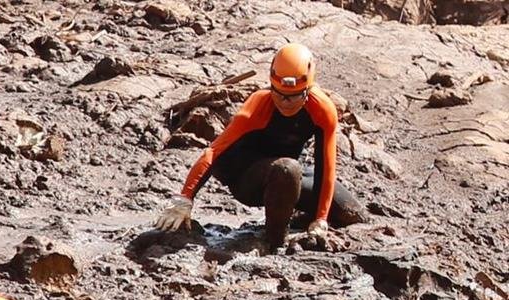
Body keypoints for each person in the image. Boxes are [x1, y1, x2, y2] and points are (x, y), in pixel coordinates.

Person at [156, 42, 365, 250]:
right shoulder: (259, 104)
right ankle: (274, 242)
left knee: (351, 213)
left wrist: (320, 220)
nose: (285, 102)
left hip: (289, 180)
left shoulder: (322, 109)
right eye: (279, 94)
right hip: (248, 179)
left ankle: (298, 218)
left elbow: (326, 167)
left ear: (308, 90)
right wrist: (184, 199)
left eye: (294, 97)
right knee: (287, 168)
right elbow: (214, 151)